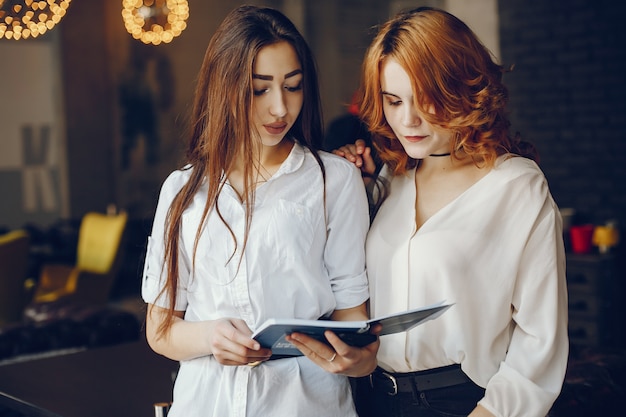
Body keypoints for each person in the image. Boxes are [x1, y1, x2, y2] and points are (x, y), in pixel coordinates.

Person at [141, 5, 378, 417]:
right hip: (205, 404)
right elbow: (160, 331)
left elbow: (353, 318)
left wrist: (360, 360)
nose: (281, 109)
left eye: (293, 86)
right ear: (225, 87)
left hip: (305, 404)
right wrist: (210, 337)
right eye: (260, 89)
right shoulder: (182, 191)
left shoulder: (334, 181)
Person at [333, 7, 569, 417]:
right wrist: (352, 193)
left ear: (461, 89)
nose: (408, 119)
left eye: (426, 99)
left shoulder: (516, 187)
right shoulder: (391, 179)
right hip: (370, 399)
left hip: (464, 403)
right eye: (393, 100)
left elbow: (540, 338)